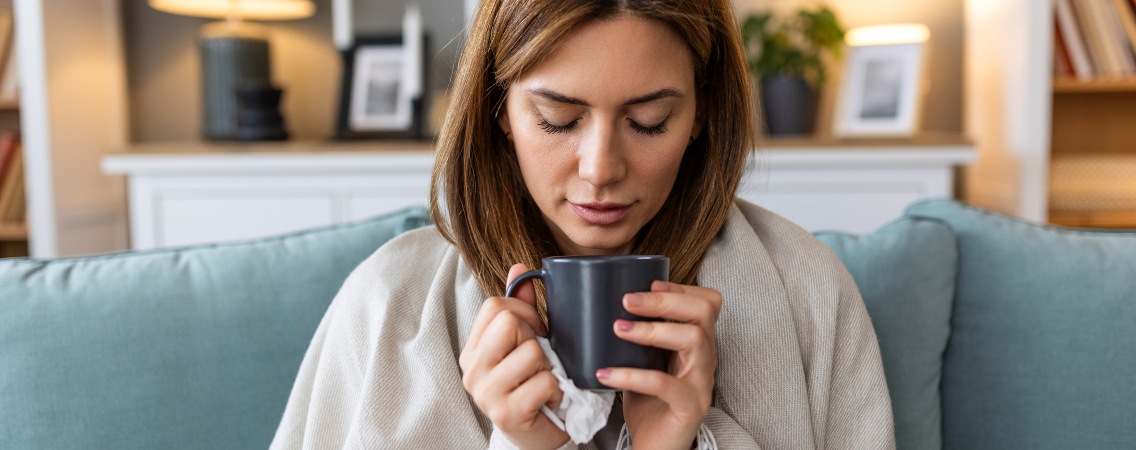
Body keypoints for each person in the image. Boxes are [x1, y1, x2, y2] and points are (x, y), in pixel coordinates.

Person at [270, 0, 894, 448]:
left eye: (649, 120)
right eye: (558, 119)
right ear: (500, 110)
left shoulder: (809, 293)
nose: (600, 171)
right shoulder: (387, 304)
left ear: (701, 112)